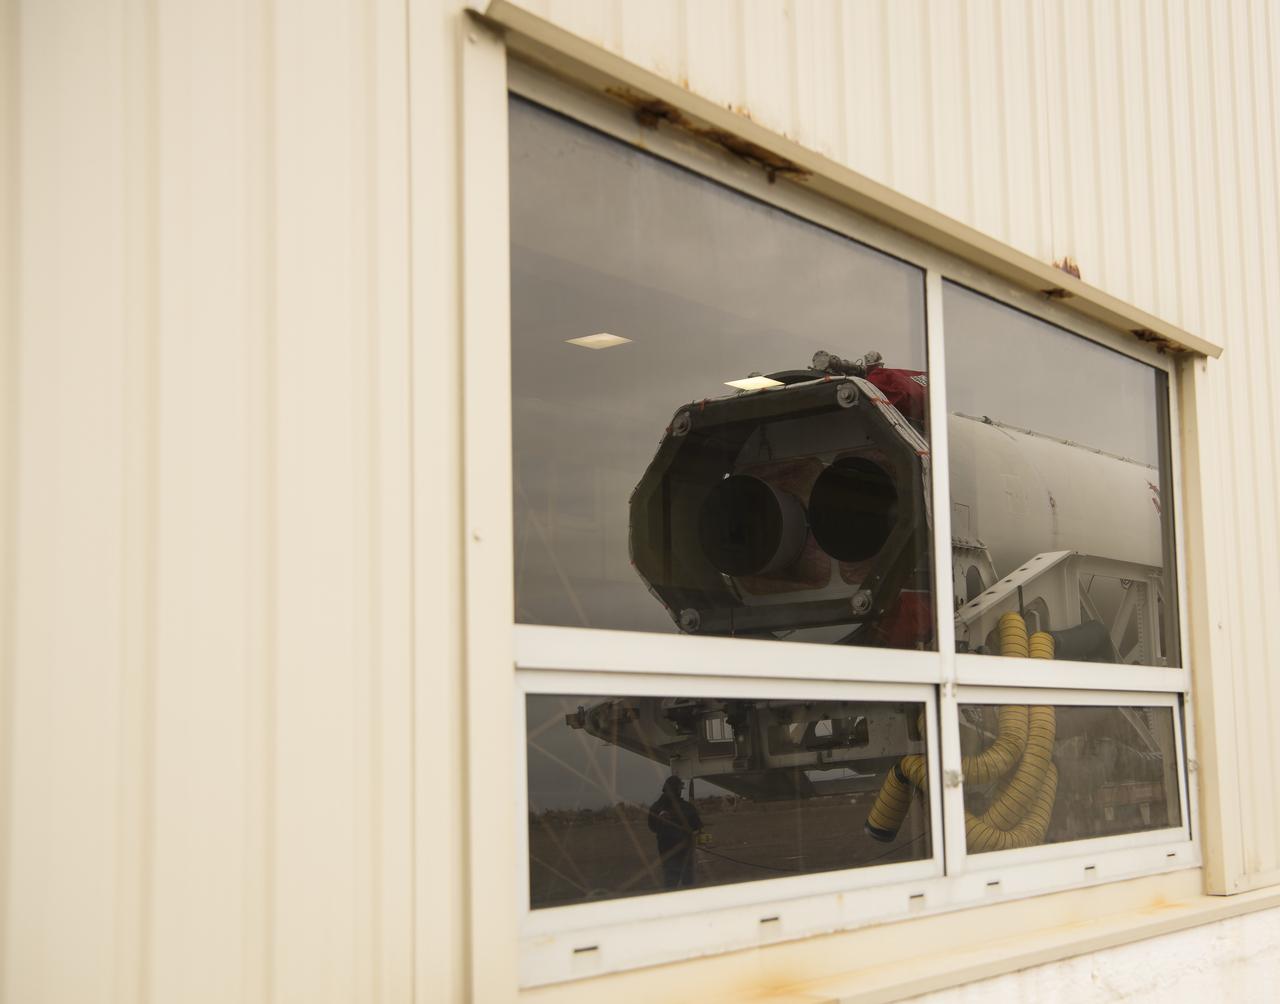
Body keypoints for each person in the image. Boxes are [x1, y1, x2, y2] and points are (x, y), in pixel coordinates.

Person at [647, 775, 702, 889]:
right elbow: (697, 826)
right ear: (677, 789)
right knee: (688, 887)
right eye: (680, 789)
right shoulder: (687, 807)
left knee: (670, 886)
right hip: (685, 852)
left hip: (666, 852)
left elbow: (652, 827)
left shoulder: (655, 808)